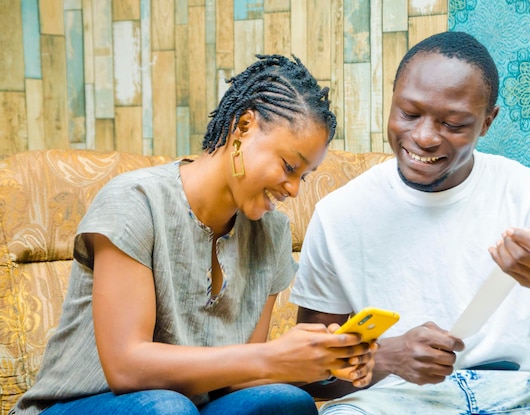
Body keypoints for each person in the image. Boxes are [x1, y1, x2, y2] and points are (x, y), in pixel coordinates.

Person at [12, 54, 377, 415]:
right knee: (166, 409)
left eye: (305, 176)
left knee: (285, 403)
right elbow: (126, 368)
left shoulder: (272, 233)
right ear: (244, 127)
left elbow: (239, 380)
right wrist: (271, 356)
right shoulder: (136, 202)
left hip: (188, 407)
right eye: (288, 166)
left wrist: (316, 364)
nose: (295, 189)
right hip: (80, 404)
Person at [291, 31, 530, 414]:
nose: (424, 137)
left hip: (526, 394)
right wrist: (385, 357)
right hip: (398, 402)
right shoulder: (339, 214)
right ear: (393, 97)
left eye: (453, 124)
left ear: (487, 122)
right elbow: (311, 375)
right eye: (409, 113)